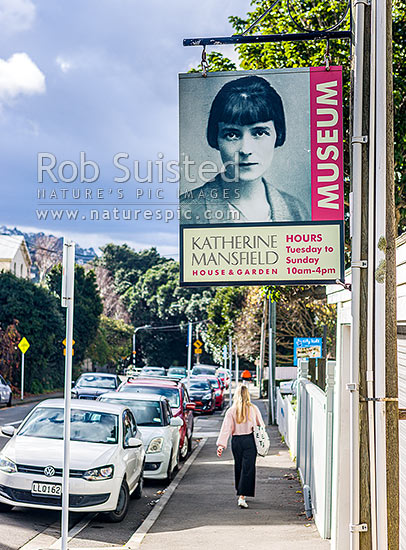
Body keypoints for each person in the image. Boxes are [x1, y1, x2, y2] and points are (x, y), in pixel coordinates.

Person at [180, 75, 309, 224]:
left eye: (259, 133)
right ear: (216, 138)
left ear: (278, 134)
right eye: (232, 135)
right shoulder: (184, 211)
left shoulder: (297, 211)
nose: (245, 150)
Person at [216, 384, 266, 509]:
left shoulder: (231, 411)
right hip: (249, 440)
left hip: (236, 441)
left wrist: (221, 445)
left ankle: (241, 490)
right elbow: (261, 425)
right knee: (248, 468)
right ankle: (242, 496)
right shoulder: (253, 409)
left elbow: (226, 429)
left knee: (239, 466)